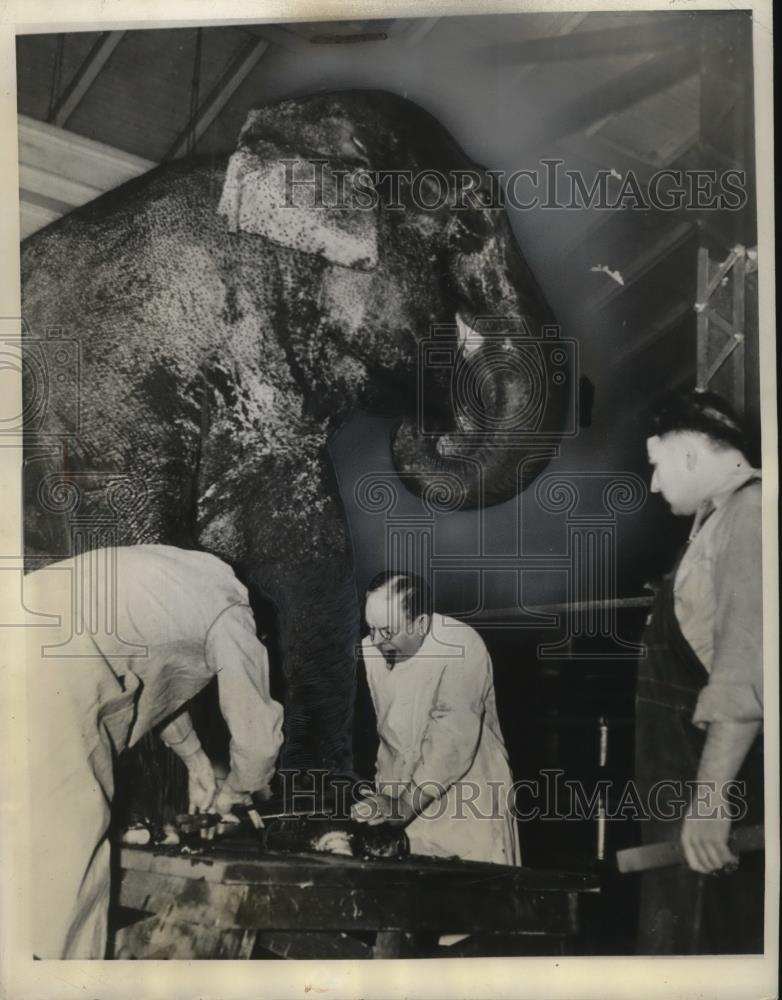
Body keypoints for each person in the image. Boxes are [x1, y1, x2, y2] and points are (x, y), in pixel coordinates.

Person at [25, 544, 284, 959]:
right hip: (54, 657)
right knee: (73, 840)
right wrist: (240, 789)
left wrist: (196, 760)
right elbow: (255, 730)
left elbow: (157, 671)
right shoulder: (233, 610)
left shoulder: (183, 580)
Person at [636, 389, 764, 954]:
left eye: (657, 465)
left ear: (689, 456)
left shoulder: (752, 514)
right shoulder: (714, 526)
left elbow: (744, 674)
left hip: (719, 816)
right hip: (683, 815)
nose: (654, 484)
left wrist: (710, 804)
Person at [351, 571, 520, 866]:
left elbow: (451, 738)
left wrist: (404, 803)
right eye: (371, 628)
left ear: (421, 624)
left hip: (467, 805)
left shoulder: (461, 644)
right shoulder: (371, 648)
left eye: (387, 631)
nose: (376, 640)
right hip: (402, 805)